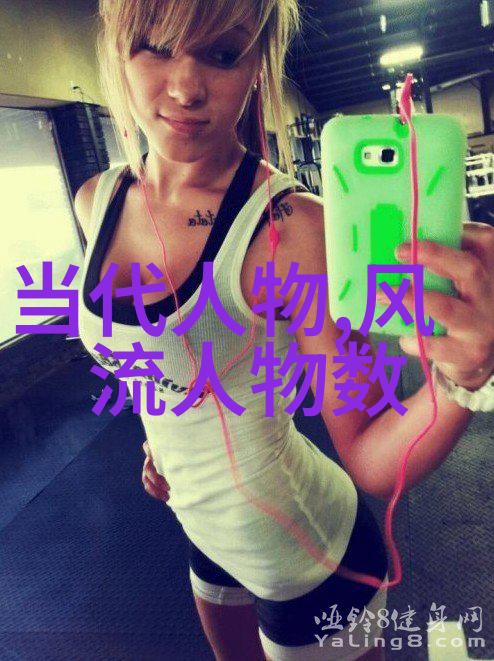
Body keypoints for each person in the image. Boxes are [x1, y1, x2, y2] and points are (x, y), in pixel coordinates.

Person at [74, 1, 494, 659]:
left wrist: (465, 376)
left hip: (311, 554)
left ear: (257, 64)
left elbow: (372, 458)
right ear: (115, 48)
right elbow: (153, 356)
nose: (185, 88)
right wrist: (166, 442)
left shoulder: (290, 231)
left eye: (222, 54)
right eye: (155, 46)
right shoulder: (94, 200)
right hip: (205, 536)